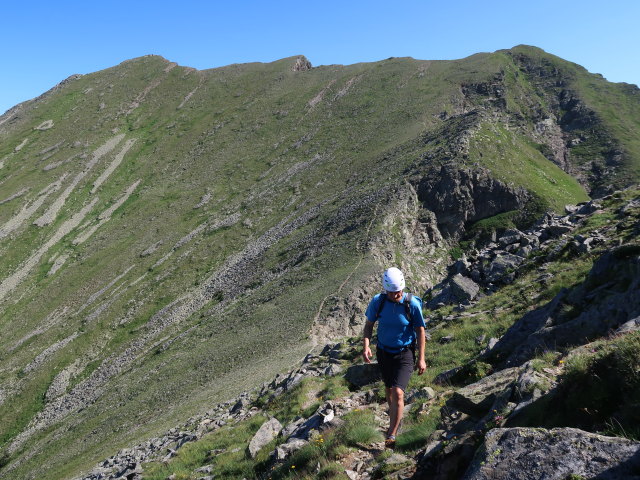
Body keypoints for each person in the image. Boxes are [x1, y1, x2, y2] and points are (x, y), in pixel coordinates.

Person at [362, 267, 427, 447]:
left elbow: (420, 331)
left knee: (398, 392)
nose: (395, 294)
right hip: (384, 352)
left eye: (398, 291)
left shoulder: (411, 305)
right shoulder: (379, 301)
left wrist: (421, 358)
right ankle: (394, 416)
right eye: (391, 292)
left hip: (404, 353)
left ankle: (391, 433)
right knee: (389, 389)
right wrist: (366, 346)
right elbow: (368, 325)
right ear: (385, 289)